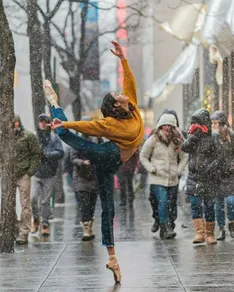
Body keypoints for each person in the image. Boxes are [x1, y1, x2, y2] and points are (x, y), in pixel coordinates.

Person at [42, 40, 144, 284]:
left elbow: (130, 81)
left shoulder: (133, 107)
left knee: (108, 209)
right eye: (118, 95)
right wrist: (66, 123)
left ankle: (112, 257)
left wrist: (123, 58)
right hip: (107, 154)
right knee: (68, 136)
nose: (122, 93)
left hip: (110, 164)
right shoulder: (113, 124)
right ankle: (55, 105)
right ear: (115, 105)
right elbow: (92, 126)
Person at [140, 113, 188, 239]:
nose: (167, 128)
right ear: (160, 126)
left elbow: (185, 156)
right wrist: (152, 168)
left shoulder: (177, 140)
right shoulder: (153, 140)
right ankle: (165, 227)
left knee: (172, 204)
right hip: (157, 177)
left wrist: (179, 170)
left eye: (170, 125)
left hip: (173, 178)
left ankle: (168, 225)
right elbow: (143, 156)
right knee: (162, 202)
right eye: (164, 125)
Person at [182, 109, 223, 245]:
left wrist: (209, 168)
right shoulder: (193, 136)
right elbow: (184, 147)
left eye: (198, 122)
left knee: (209, 205)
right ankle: (199, 233)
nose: (196, 125)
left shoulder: (214, 137)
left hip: (209, 178)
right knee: (195, 204)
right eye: (194, 123)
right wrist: (195, 136)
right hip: (194, 177)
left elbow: (219, 157)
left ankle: (210, 234)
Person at [31, 114, 64, 236]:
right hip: (36, 173)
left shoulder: (54, 138)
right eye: (40, 121)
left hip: (50, 173)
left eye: (45, 121)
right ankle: (36, 219)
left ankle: (45, 224)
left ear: (49, 123)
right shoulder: (34, 137)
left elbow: (60, 153)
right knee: (33, 198)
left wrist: (47, 154)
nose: (43, 124)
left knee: (45, 201)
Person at [71, 116, 103, 241]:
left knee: (91, 204)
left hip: (94, 176)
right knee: (84, 204)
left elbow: (103, 153)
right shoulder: (76, 141)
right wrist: (82, 162)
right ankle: (85, 228)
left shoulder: (97, 139)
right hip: (80, 177)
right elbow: (73, 158)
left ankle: (89, 225)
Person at [13, 115, 41, 244]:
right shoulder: (4, 136)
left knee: (25, 204)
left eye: (16, 122)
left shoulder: (28, 136)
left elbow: (36, 153)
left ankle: (24, 232)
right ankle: (12, 227)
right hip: (8, 175)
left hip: (23, 173)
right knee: (7, 202)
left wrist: (30, 171)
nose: (14, 124)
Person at [211, 111, 234, 240]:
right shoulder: (212, 138)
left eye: (215, 123)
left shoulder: (233, 137)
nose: (213, 125)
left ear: (222, 123)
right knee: (218, 204)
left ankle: (231, 223)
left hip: (230, 175)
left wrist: (233, 164)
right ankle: (221, 228)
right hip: (217, 175)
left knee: (231, 201)